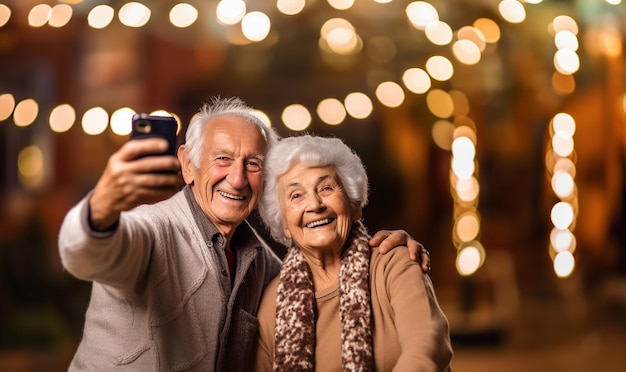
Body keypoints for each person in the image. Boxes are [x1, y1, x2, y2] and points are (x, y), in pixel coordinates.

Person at [58, 96, 430, 371]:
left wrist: (394, 245)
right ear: (187, 164)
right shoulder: (153, 230)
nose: (236, 179)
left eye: (252, 164)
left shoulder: (264, 265)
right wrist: (102, 209)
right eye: (222, 159)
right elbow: (91, 254)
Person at [253, 135, 453, 371]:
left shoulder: (393, 264)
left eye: (326, 188)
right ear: (284, 223)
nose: (315, 204)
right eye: (296, 195)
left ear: (354, 204)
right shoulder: (271, 303)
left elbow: (427, 349)